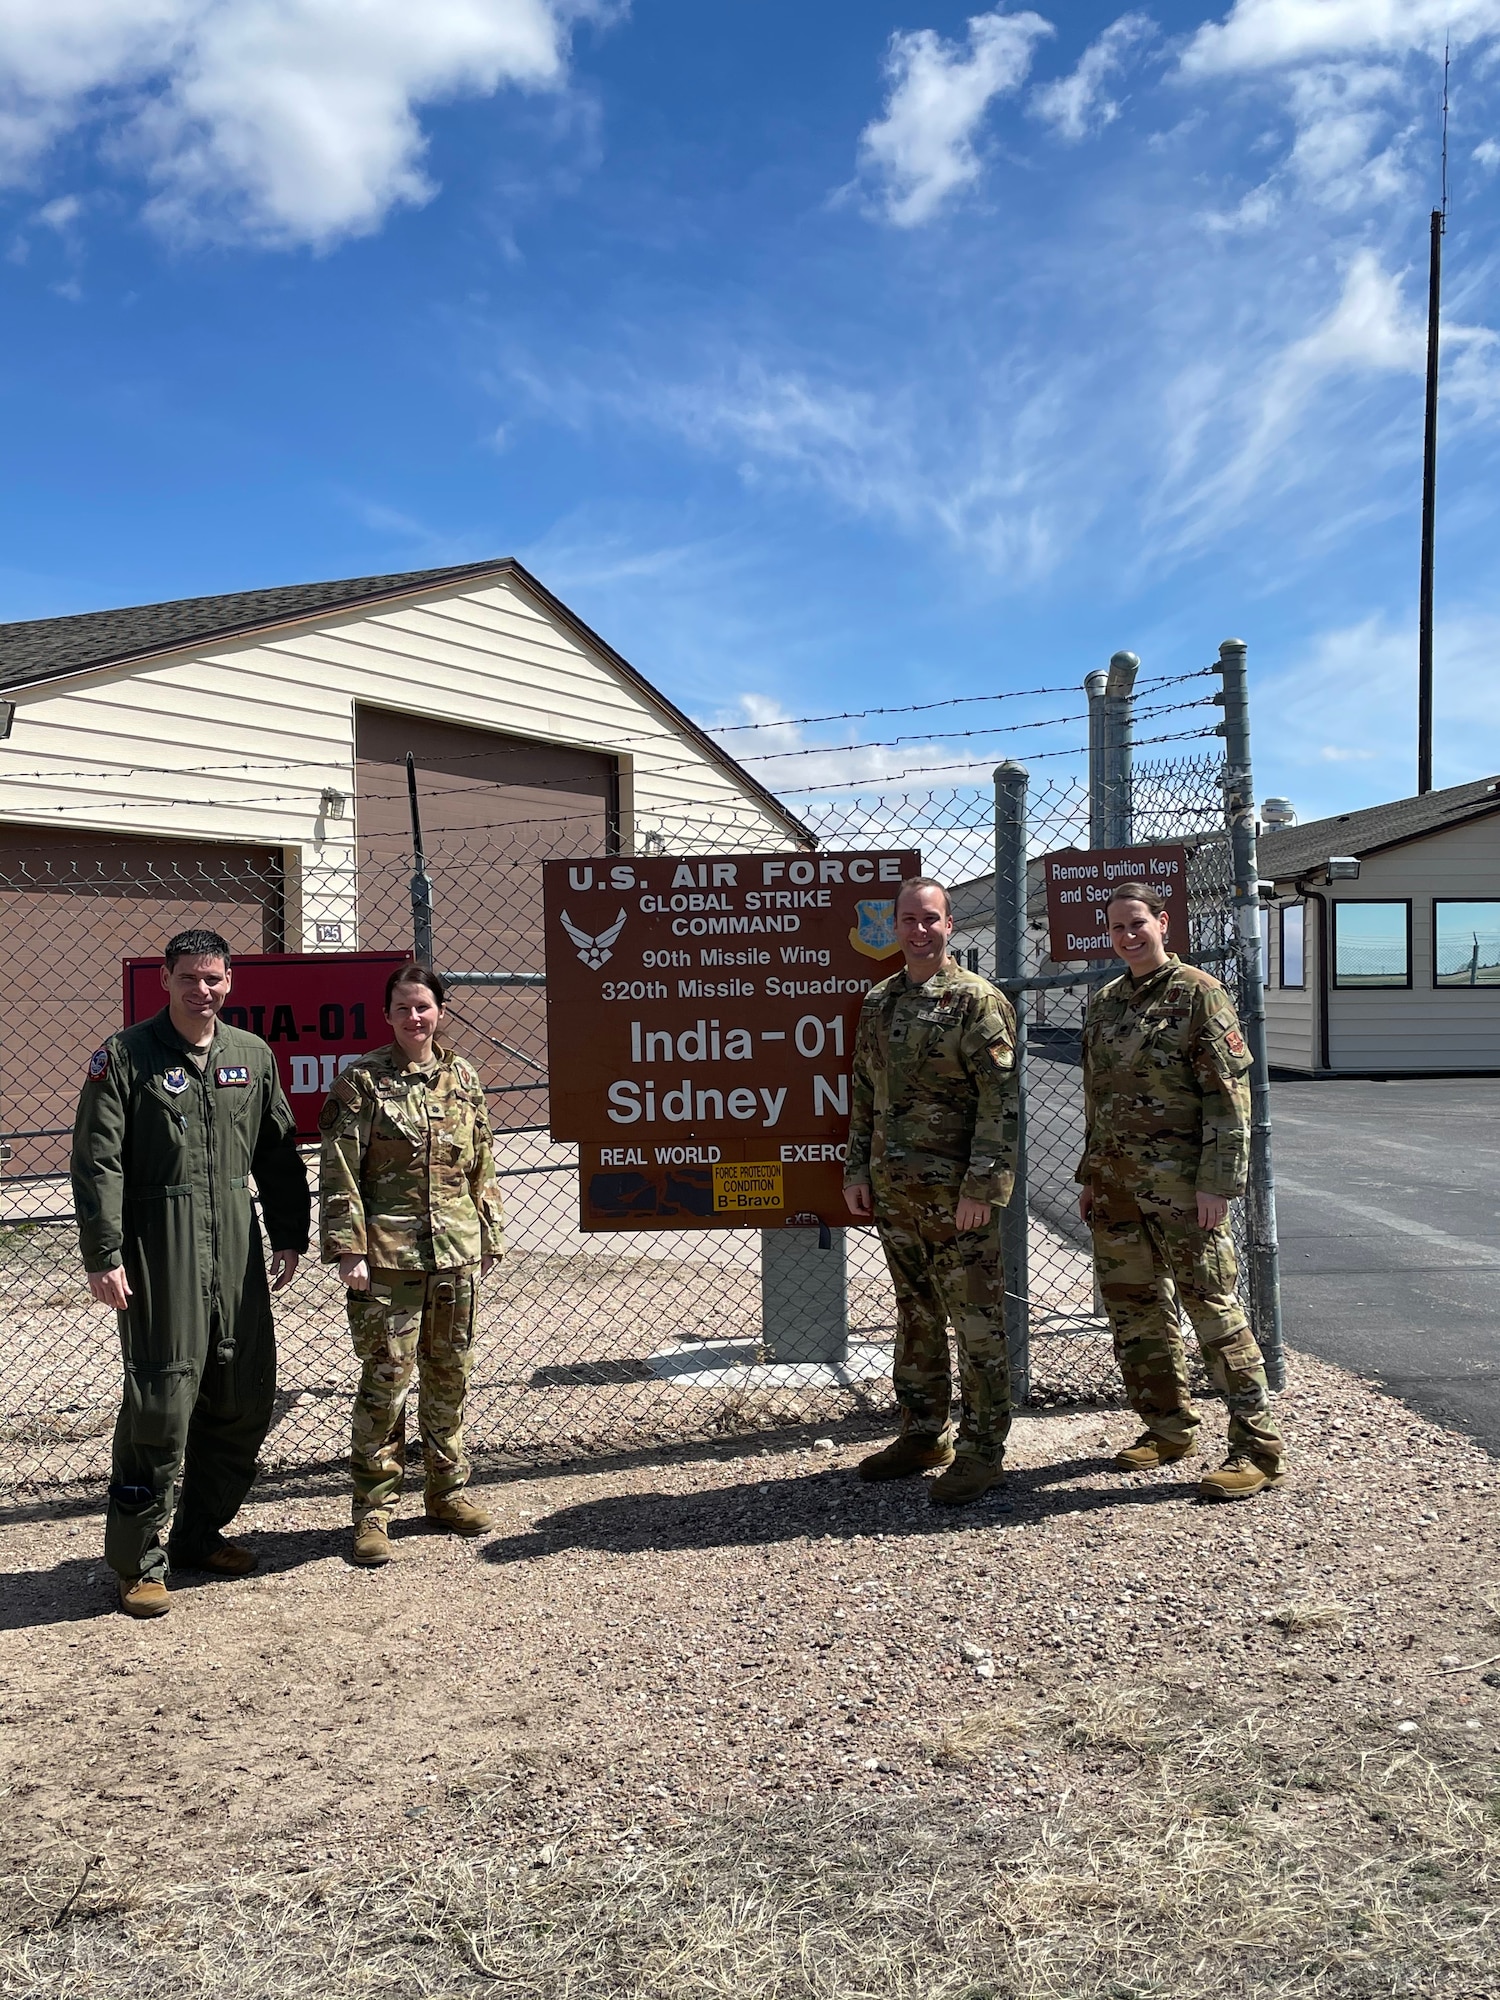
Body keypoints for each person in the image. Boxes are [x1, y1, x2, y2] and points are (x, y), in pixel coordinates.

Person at [72, 928, 309, 1618]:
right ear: (165, 981)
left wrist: (289, 1234)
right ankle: (138, 1562)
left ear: (229, 983)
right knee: (161, 1402)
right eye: (188, 979)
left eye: (213, 979)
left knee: (242, 1391)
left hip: (236, 1240)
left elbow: (277, 1150)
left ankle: (199, 1534)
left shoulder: (250, 1055)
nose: (201, 991)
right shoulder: (125, 1057)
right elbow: (98, 1161)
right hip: (159, 1245)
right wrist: (103, 1252)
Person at [1077, 881, 1286, 1500]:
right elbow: (1098, 1101)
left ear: (1163, 922)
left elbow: (1228, 1101)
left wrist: (1219, 1184)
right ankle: (1168, 1428)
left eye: (1137, 922)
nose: (1127, 935)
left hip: (1182, 1189)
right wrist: (1091, 1175)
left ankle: (1257, 1448)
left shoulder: (1199, 994)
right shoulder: (1107, 1001)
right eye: (1116, 927)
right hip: (1115, 1188)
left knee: (1211, 1310)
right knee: (1133, 1311)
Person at [318, 964, 505, 1566]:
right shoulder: (362, 1082)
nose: (414, 1017)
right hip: (388, 1257)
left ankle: (447, 1493)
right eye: (403, 1008)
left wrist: (490, 1231)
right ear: (388, 1016)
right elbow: (340, 1168)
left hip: (455, 1251)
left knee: (449, 1374)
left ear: (440, 1011)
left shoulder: (465, 1077)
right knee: (386, 1384)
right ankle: (373, 1511)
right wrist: (349, 1248)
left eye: (423, 1006)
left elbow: (482, 1160)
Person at [843, 877, 1019, 1505]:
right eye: (909, 920)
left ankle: (982, 1450)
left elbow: (1001, 1105)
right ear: (895, 927)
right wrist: (857, 1173)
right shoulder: (879, 1002)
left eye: (931, 920)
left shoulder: (977, 1002)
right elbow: (864, 1095)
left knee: (977, 1325)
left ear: (949, 926)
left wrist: (982, 1188)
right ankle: (923, 1432)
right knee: (916, 1316)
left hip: (958, 1198)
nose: (919, 930)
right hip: (896, 1193)